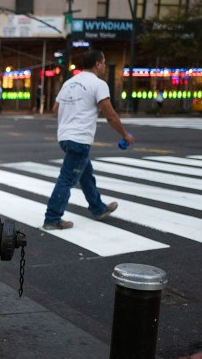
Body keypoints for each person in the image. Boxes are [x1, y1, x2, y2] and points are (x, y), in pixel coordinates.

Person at [43, 49, 135, 230]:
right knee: (67, 179)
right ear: (98, 64)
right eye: (103, 62)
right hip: (80, 138)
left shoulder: (69, 83)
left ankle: (98, 208)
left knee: (85, 173)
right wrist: (125, 134)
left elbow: (55, 109)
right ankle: (52, 218)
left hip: (64, 137)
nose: (103, 66)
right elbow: (111, 116)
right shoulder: (98, 84)